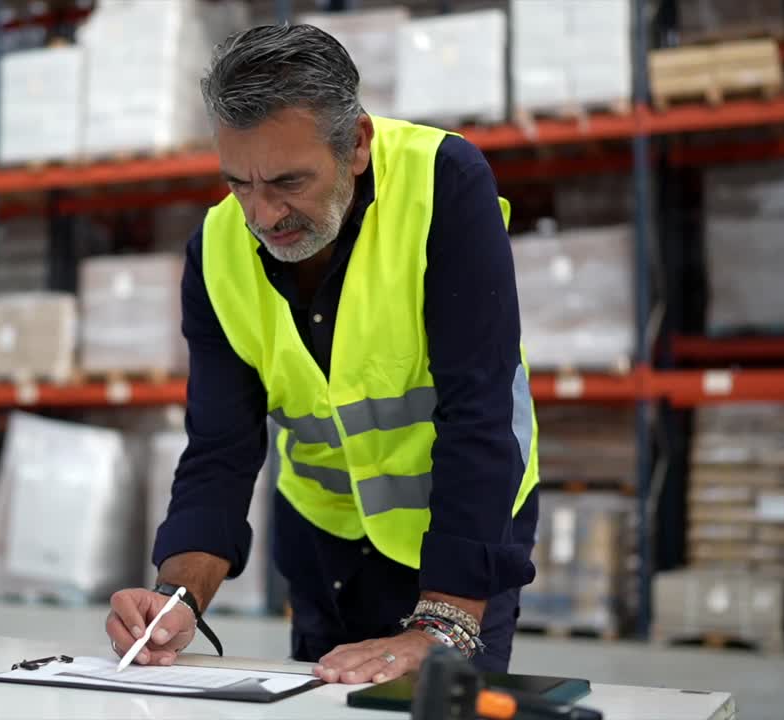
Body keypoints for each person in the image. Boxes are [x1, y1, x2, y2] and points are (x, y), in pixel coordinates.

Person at [104, 23, 540, 684]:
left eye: (287, 181)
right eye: (238, 183)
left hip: (460, 545)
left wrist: (445, 621)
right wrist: (176, 598)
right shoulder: (215, 252)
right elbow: (220, 449)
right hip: (322, 550)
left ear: (357, 144)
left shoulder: (442, 184)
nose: (262, 213)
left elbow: (479, 409)